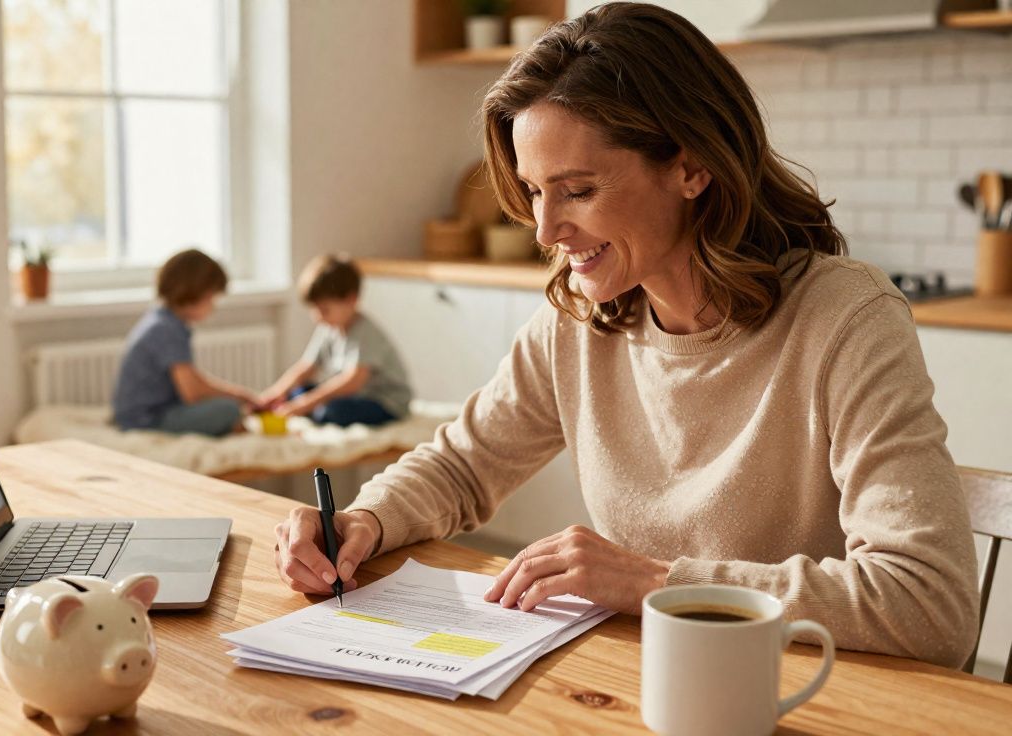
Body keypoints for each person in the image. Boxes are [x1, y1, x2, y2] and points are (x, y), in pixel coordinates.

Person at [271, 3, 979, 668]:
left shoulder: (845, 318)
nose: (546, 231)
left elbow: (930, 604)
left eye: (577, 190)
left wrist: (656, 583)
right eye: (535, 192)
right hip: (642, 681)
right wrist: (365, 521)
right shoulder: (582, 318)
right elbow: (463, 465)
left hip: (798, 693)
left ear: (692, 165)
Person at [112, 249, 256, 436]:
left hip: (138, 414)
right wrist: (236, 398)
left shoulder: (160, 319)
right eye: (211, 298)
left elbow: (192, 378)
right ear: (196, 293)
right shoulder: (167, 330)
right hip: (146, 420)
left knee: (228, 406)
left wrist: (239, 394)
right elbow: (192, 392)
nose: (213, 306)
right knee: (229, 410)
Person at [260, 254, 412, 427]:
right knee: (298, 392)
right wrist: (275, 393)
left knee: (333, 410)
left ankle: (317, 413)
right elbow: (306, 367)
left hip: (382, 401)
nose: (317, 317)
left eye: (324, 309)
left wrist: (304, 405)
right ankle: (313, 411)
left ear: (351, 300)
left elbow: (352, 382)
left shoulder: (367, 332)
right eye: (314, 309)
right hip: (355, 397)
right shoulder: (328, 328)